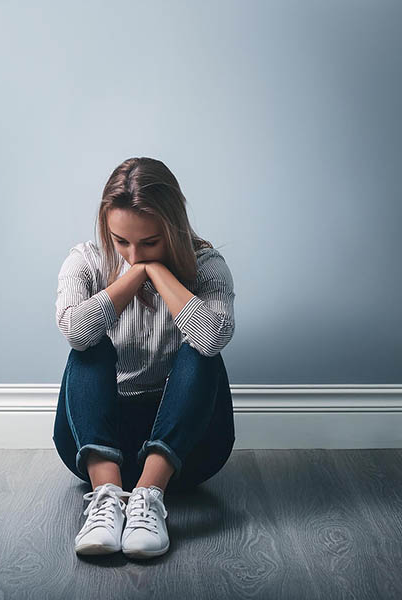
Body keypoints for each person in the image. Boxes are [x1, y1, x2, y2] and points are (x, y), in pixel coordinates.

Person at [53, 156, 236, 559]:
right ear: (106, 227)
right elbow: (75, 331)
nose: (134, 254)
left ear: (173, 229)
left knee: (202, 345)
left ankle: (149, 496)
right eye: (122, 242)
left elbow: (214, 337)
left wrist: (159, 273)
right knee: (88, 342)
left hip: (185, 450)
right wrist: (132, 278)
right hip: (98, 443)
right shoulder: (84, 260)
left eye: (149, 243)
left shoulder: (207, 266)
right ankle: (107, 499)